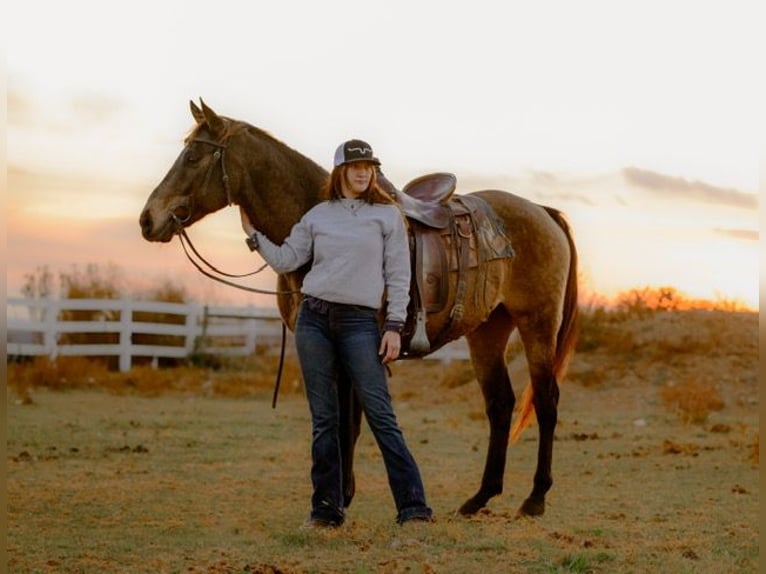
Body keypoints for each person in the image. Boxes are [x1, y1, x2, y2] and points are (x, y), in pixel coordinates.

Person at [240, 139, 433, 528]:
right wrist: (254, 236)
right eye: (356, 167)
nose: (363, 173)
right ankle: (326, 510)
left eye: (369, 167)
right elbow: (288, 260)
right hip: (313, 320)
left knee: (381, 415)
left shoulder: (386, 216)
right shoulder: (317, 216)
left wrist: (394, 325)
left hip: (361, 324)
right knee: (325, 420)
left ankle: (414, 507)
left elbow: (399, 276)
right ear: (340, 172)